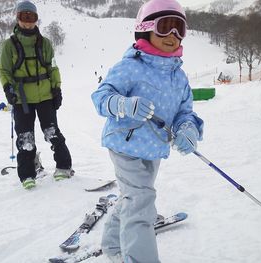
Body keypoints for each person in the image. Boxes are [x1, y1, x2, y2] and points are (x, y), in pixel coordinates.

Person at [91, 0, 204, 262]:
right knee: (141, 200)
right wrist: (124, 105)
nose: (173, 35)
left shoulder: (179, 76)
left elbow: (184, 112)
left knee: (133, 196)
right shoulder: (132, 65)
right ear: (145, 29)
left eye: (180, 29)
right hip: (124, 144)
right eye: (165, 27)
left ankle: (112, 243)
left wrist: (187, 128)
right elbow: (101, 96)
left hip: (153, 148)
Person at [0, 1, 73, 190]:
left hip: (45, 96)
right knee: (26, 137)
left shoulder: (44, 43)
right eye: (24, 17)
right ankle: (27, 175)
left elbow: (53, 67)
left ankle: (64, 167)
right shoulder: (10, 45)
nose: (28, 22)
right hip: (22, 99)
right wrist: (8, 89)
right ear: (18, 18)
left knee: (52, 132)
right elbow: (4, 70)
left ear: (36, 19)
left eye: (31, 17)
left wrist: (56, 89)